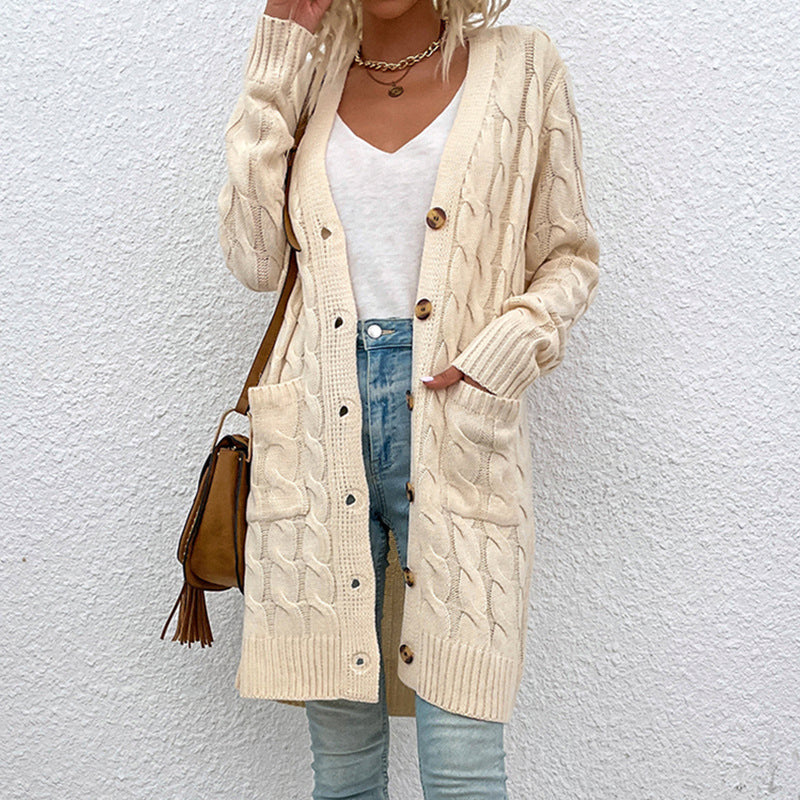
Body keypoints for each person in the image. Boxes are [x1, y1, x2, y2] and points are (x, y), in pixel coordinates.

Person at [217, 0, 600, 796]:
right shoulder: (308, 80)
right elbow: (255, 259)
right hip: (316, 435)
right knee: (344, 773)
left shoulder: (523, 65)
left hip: (459, 430)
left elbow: (568, 257)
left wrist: (502, 354)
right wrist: (277, 59)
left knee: (464, 767)